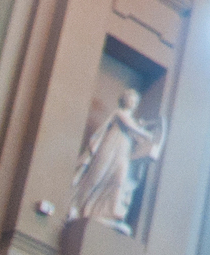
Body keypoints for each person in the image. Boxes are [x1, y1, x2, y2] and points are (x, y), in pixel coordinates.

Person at [68, 88, 161, 228]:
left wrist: (145, 132)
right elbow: (130, 126)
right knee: (96, 177)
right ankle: (77, 206)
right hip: (110, 146)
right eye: (130, 99)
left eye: (135, 101)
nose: (132, 102)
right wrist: (146, 134)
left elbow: (136, 133)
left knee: (119, 179)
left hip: (124, 151)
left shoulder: (134, 122)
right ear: (124, 100)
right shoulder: (119, 113)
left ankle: (109, 213)